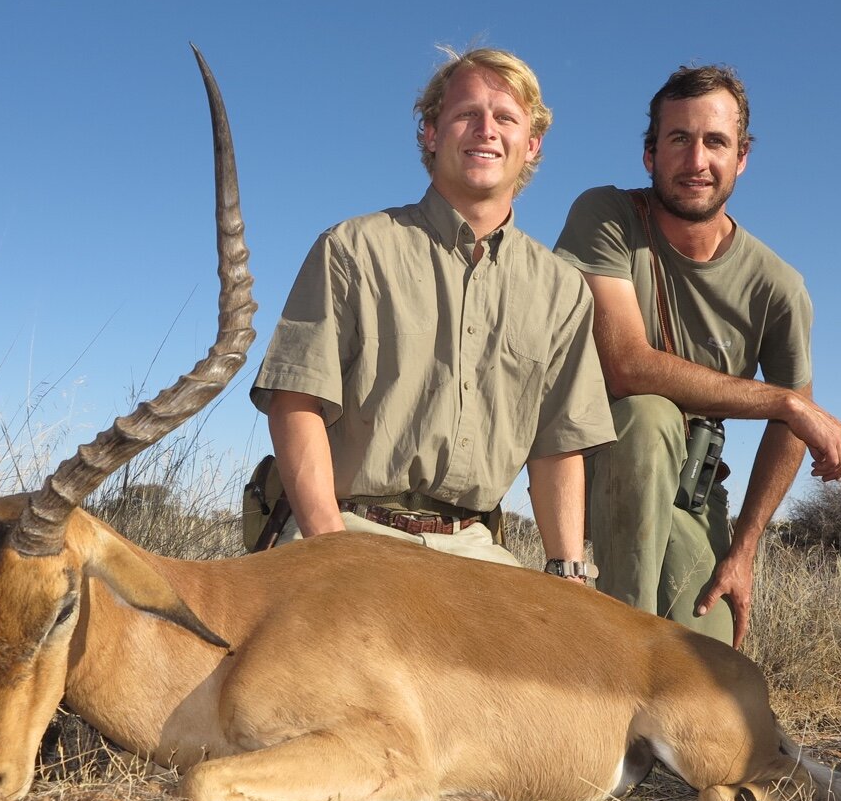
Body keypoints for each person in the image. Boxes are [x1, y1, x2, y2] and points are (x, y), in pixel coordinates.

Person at [250, 48, 613, 578]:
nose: (486, 130)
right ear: (430, 132)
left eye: (506, 118)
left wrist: (568, 571)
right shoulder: (353, 248)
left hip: (474, 548)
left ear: (531, 144)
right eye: (467, 113)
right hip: (347, 529)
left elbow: (558, 445)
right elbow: (294, 403)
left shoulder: (562, 290)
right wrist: (330, 548)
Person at [554, 65, 841, 645]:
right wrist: (785, 401)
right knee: (647, 414)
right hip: (595, 470)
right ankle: (620, 659)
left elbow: (788, 431)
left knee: (712, 661)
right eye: (678, 139)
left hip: (691, 491)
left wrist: (742, 551)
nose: (697, 161)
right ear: (649, 155)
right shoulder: (606, 216)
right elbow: (626, 364)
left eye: (715, 142)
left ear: (741, 157)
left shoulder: (778, 286)